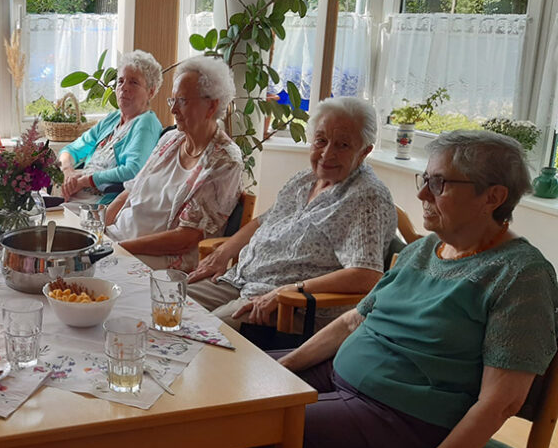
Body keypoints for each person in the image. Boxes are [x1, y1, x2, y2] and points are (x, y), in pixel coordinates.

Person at [43, 129, 558, 448]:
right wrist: (283, 366)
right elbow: (354, 321)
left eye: (439, 183)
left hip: (403, 414)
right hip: (343, 376)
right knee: (229, 379)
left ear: (493, 197)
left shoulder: (520, 275)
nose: (422, 192)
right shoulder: (425, 250)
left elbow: (502, 400)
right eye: (425, 178)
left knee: (249, 423)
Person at [186, 96, 396, 330]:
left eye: (343, 145)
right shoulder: (305, 179)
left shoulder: (366, 198)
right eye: (321, 141)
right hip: (240, 280)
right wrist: (223, 252)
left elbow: (367, 275)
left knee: (198, 330)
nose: (327, 154)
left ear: (364, 151)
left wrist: (291, 290)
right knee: (168, 302)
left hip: (289, 306)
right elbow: (264, 221)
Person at [103, 57, 243, 272]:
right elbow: (131, 190)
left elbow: (186, 238)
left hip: (160, 259)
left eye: (183, 101)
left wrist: (118, 249)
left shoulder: (225, 161)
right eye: (173, 101)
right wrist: (101, 230)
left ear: (211, 106)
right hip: (119, 241)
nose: (174, 110)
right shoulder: (171, 139)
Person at [58, 50, 164, 201]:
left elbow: (133, 170)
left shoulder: (146, 123)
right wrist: (68, 171)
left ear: (150, 92)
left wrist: (86, 180)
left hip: (102, 204)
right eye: (120, 81)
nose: (124, 87)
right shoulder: (113, 119)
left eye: (133, 82)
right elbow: (70, 150)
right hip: (76, 196)